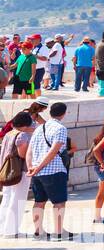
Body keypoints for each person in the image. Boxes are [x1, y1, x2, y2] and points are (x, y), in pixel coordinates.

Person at [28, 101, 73, 241]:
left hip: (36, 171)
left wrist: (31, 167)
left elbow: (29, 151)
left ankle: (38, 231)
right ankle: (59, 232)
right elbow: (54, 151)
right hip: (53, 170)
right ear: (64, 114)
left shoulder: (39, 128)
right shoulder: (60, 128)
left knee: (39, 201)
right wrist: (39, 167)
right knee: (58, 202)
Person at [0, 112, 34, 237]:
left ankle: (3, 228)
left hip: (7, 170)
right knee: (18, 199)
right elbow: (22, 155)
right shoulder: (23, 135)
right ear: (26, 124)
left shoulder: (9, 134)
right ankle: (11, 230)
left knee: (7, 199)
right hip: (19, 171)